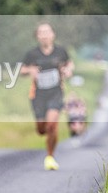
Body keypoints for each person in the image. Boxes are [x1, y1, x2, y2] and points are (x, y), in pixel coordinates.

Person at [20, 23, 74, 171]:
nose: (44, 35)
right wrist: (29, 70)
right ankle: (46, 135)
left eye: (47, 32)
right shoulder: (32, 54)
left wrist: (68, 70)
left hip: (55, 93)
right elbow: (22, 69)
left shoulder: (60, 51)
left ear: (53, 34)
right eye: (41, 32)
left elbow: (69, 64)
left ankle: (50, 157)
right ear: (37, 36)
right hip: (38, 95)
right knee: (41, 129)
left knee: (51, 125)